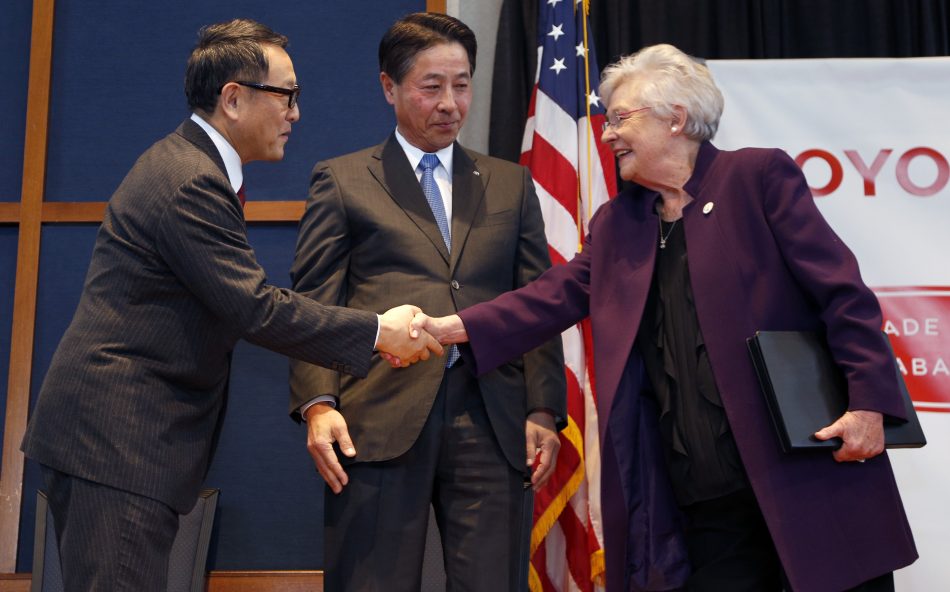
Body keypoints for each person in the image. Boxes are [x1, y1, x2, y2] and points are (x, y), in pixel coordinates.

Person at [413, 44, 918, 592]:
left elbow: (843, 295)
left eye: (620, 119)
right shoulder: (619, 223)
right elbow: (549, 297)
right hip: (702, 502)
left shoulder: (755, 177)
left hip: (803, 475)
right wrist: (451, 328)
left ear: (676, 118)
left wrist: (869, 404)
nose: (608, 135)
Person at [21, 19, 440, 592]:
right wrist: (377, 330)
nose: (296, 113)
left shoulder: (190, 165)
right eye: (287, 95)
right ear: (234, 99)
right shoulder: (189, 179)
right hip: (119, 444)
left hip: (120, 446)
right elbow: (255, 308)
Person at [289, 12, 566, 591]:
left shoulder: (510, 184)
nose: (449, 104)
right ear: (389, 87)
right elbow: (314, 302)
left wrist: (543, 408)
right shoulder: (342, 180)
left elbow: (536, 302)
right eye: (431, 86)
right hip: (376, 417)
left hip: (492, 417)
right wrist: (318, 404)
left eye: (461, 85)